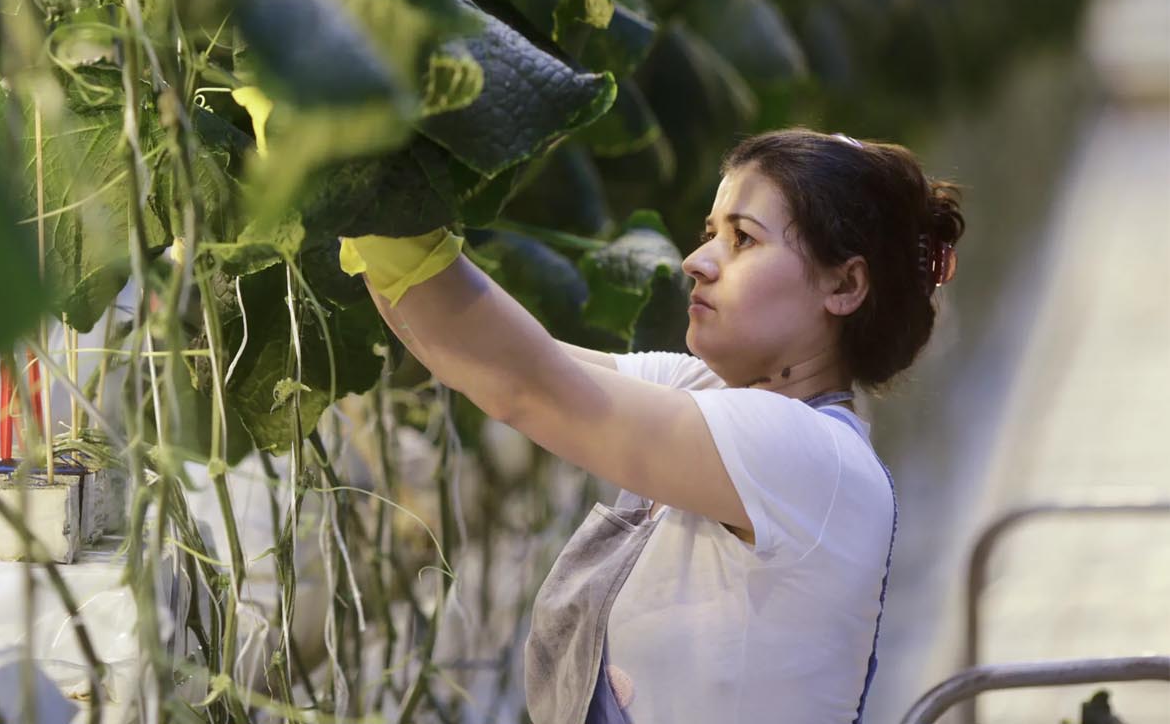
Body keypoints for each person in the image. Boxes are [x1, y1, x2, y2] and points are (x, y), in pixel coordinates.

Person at [338, 128, 965, 724]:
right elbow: (484, 359)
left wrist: (360, 174)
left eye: (742, 239)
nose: (697, 261)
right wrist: (368, 212)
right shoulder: (708, 391)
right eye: (709, 233)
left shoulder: (812, 457)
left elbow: (526, 387)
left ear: (845, 283)